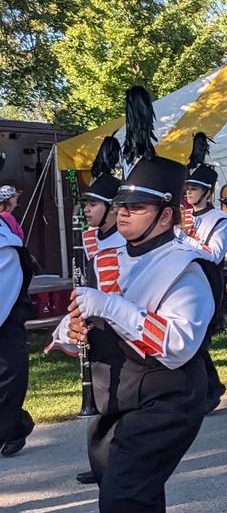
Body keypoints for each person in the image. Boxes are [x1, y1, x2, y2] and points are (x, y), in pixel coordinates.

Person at [48, 85, 220, 513]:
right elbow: (85, 320)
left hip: (165, 399)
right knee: (137, 504)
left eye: (136, 206)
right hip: (112, 398)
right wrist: (69, 331)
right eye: (120, 204)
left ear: (166, 215)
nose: (122, 212)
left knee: (121, 504)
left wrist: (109, 308)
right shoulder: (109, 255)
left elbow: (177, 345)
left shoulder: (188, 267)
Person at [70, 136, 125, 485]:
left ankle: (113, 465)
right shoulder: (92, 239)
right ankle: (101, 464)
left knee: (115, 401)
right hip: (96, 327)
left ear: (113, 209)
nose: (86, 210)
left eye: (92, 204)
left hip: (118, 326)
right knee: (103, 400)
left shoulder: (123, 242)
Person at [179, 132, 227, 414]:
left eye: (195, 189)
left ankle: (209, 389)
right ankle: (208, 388)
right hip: (183, 280)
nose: (188, 193)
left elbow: (214, 253)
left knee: (199, 340)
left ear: (208, 193)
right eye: (187, 188)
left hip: (208, 280)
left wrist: (183, 239)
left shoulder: (220, 219)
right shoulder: (181, 216)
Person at [0, 183, 34, 459]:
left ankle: (14, 428)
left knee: (7, 383)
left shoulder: (4, 241)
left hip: (6, 322)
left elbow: (5, 290)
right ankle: (16, 426)